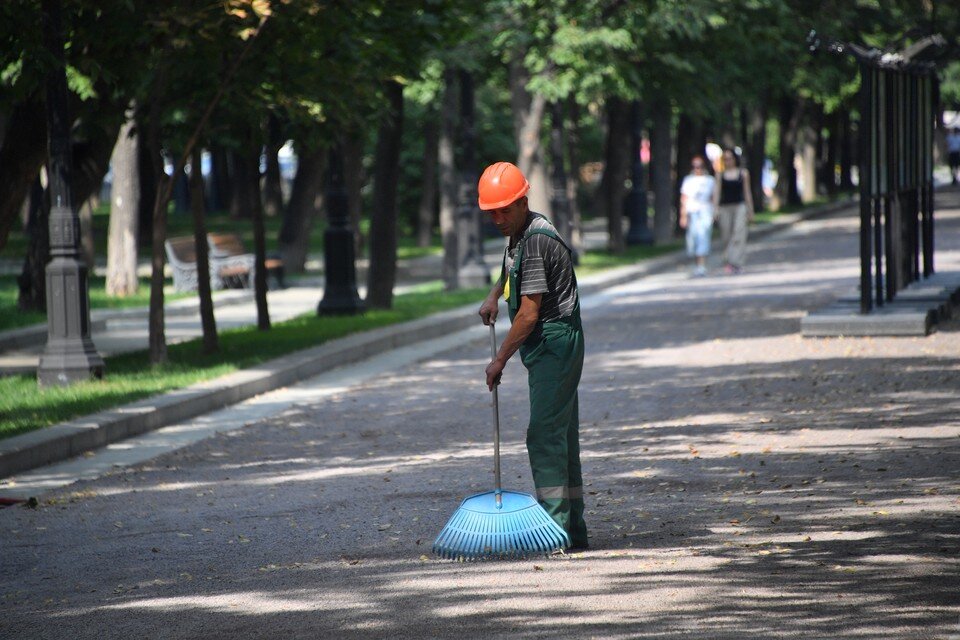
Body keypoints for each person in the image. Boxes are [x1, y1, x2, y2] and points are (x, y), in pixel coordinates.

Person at [477, 161, 588, 551]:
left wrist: (499, 359)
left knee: (543, 434)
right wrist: (494, 293)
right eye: (492, 211)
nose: (498, 218)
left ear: (523, 201)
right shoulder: (522, 232)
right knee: (561, 434)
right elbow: (511, 267)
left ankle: (553, 529)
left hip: (554, 342)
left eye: (505, 209)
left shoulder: (539, 242)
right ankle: (572, 532)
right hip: (549, 342)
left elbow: (528, 313)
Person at [713, 148, 755, 274]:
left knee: (738, 234)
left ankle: (737, 262)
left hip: (739, 206)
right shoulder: (720, 175)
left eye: (730, 158)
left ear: (735, 159)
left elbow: (747, 192)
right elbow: (717, 193)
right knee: (726, 235)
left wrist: (750, 210)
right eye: (725, 159)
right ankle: (729, 260)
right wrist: (715, 209)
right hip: (725, 207)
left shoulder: (743, 173)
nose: (728, 161)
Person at [679, 156, 715, 277]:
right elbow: (684, 199)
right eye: (694, 166)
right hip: (692, 212)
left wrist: (714, 212)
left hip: (705, 211)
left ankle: (701, 266)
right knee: (692, 239)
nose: (697, 169)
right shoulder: (688, 180)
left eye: (699, 166)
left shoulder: (710, 180)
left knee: (703, 237)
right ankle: (697, 264)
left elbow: (713, 198)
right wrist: (683, 215)